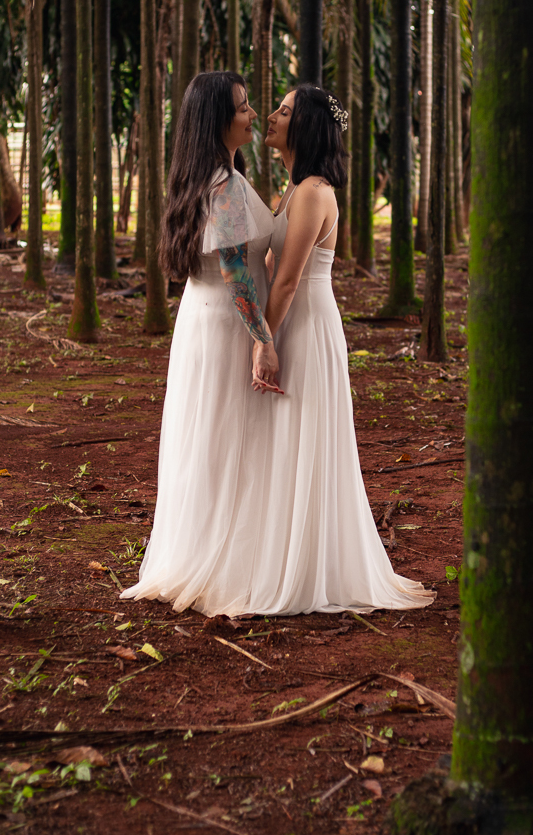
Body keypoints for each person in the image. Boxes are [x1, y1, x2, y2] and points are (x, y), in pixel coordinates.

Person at [245, 84, 434, 614]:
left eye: (284, 111)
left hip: (305, 327)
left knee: (305, 436)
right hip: (297, 321)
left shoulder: (311, 192)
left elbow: (286, 282)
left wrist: (265, 342)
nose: (273, 116)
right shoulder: (296, 188)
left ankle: (308, 570)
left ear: (303, 126)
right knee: (289, 437)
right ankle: (286, 555)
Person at [120, 72, 279, 615]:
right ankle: (228, 564)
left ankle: (205, 552)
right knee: (227, 442)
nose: (253, 114)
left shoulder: (202, 179)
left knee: (206, 442)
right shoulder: (225, 186)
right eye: (242, 107)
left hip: (199, 319)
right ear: (218, 121)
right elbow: (237, 274)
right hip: (227, 325)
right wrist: (262, 339)